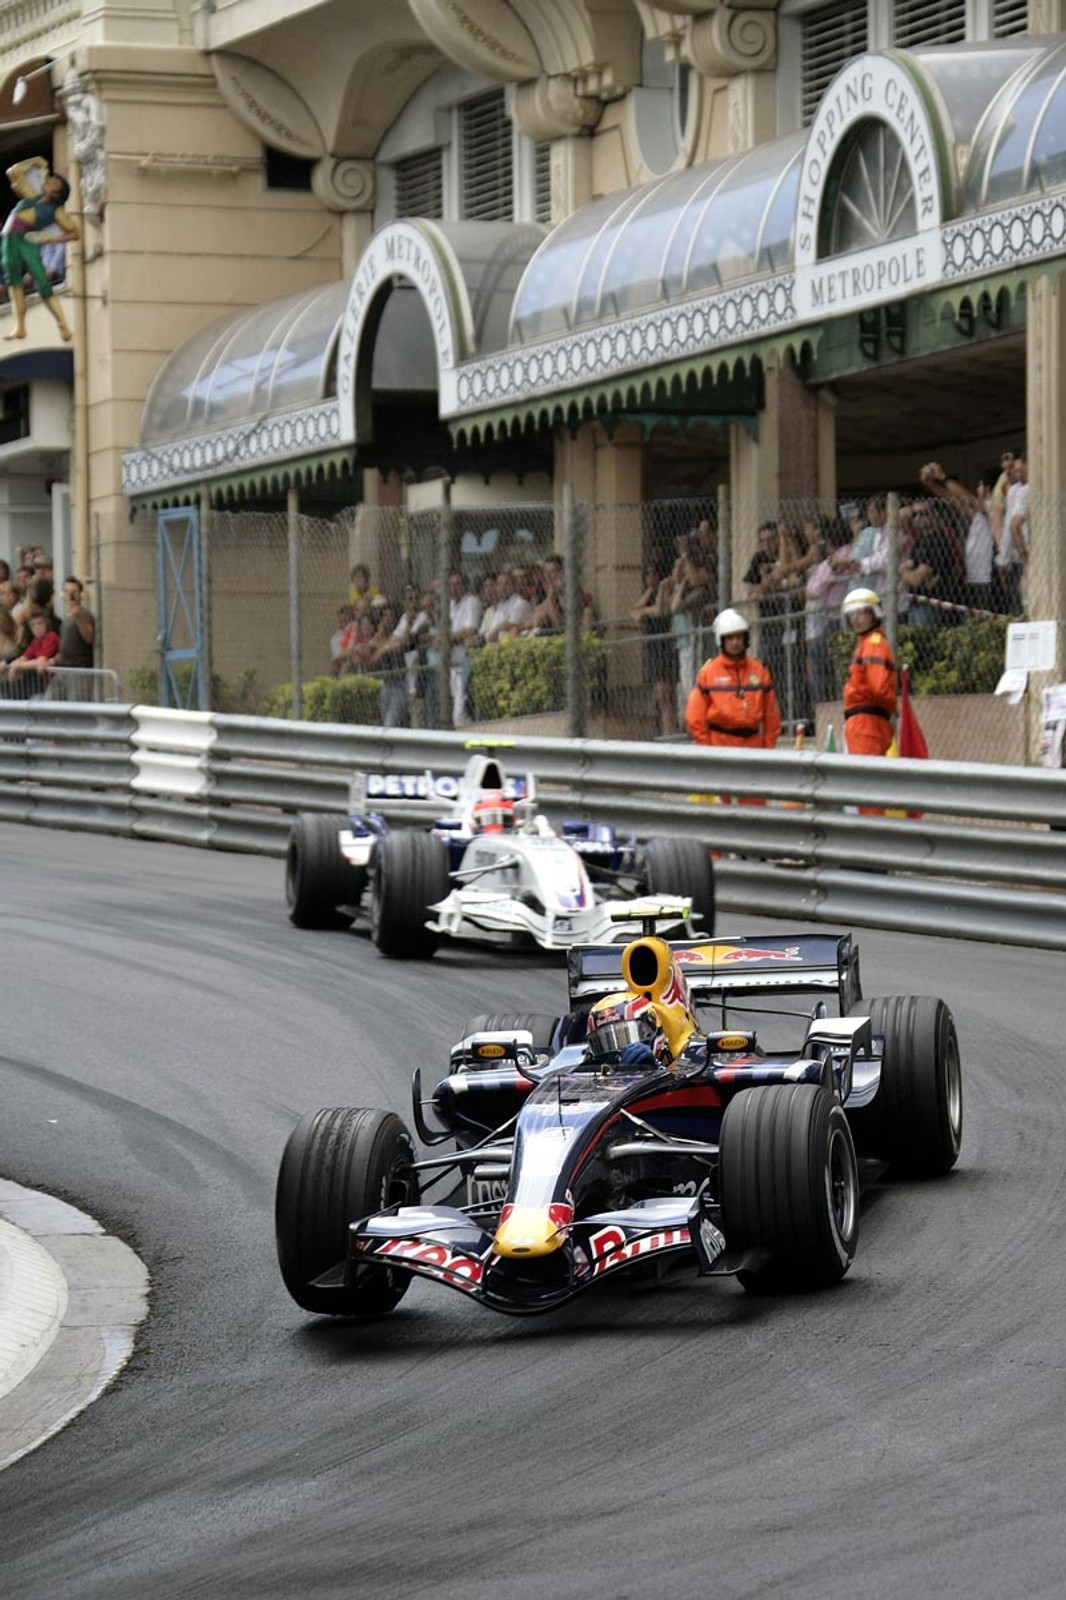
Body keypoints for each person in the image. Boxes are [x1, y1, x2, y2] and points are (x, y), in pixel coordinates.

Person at [2, 158, 80, 342]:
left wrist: (50, 238)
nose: (50, 180)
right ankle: (19, 326)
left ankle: (63, 325)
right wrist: (37, 161)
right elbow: (13, 172)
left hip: (26, 240)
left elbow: (75, 233)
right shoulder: (32, 195)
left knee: (42, 283)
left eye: (54, 182)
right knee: (13, 282)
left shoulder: (56, 211)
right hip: (9, 240)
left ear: (56, 193)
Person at [685, 607, 782, 749]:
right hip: (720, 746)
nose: (735, 642)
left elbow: (771, 716)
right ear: (721, 641)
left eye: (739, 637)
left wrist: (768, 749)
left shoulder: (759, 670)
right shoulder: (708, 673)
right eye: (730, 638)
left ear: (745, 639)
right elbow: (695, 717)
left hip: (753, 746)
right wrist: (706, 749)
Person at [920, 463, 995, 612]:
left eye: (980, 485)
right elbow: (954, 501)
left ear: (988, 488)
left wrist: (944, 478)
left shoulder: (993, 505)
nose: (977, 488)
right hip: (974, 575)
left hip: (988, 577)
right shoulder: (980, 513)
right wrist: (933, 485)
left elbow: (968, 500)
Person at [841, 588, 896, 757]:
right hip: (865, 722)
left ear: (874, 613)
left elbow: (878, 687)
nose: (856, 619)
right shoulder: (868, 643)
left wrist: (893, 706)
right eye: (852, 615)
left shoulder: (873, 644)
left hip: (866, 724)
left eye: (861, 613)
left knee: (862, 780)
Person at [630, 562, 678, 736]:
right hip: (652, 648)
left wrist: (645, 611)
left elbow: (659, 610)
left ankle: (670, 730)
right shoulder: (648, 594)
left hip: (663, 645)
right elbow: (634, 612)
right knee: (658, 695)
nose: (651, 578)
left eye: (653, 574)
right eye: (647, 575)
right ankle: (665, 729)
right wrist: (649, 591)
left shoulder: (665, 590)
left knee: (664, 693)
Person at [448, 570, 482, 725]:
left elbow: (471, 629)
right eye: (451, 585)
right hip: (452, 662)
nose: (454, 588)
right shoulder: (450, 605)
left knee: (460, 713)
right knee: (455, 705)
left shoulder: (471, 601)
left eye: (458, 584)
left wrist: (450, 637)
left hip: (465, 660)